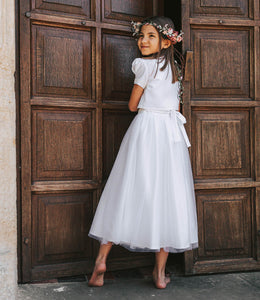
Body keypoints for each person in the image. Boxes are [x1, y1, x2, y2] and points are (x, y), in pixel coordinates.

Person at [88, 16, 198, 289]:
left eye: (150, 36)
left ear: (165, 41)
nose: (143, 41)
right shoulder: (175, 69)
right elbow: (177, 106)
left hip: (147, 130)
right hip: (170, 134)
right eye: (141, 36)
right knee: (168, 196)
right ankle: (159, 274)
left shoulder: (143, 66)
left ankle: (101, 261)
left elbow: (132, 105)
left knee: (126, 189)